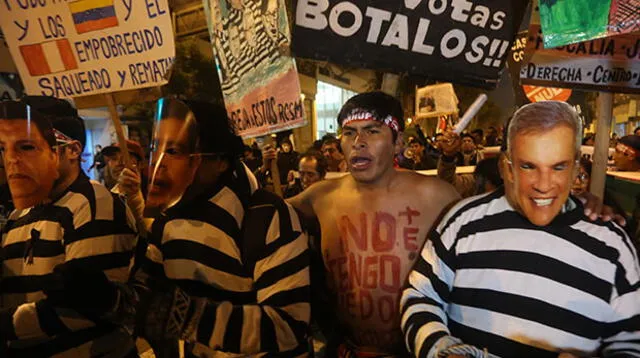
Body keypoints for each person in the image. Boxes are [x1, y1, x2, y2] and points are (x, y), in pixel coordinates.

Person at [47, 99, 312, 357]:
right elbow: (147, 298)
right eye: (157, 149)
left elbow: (287, 326)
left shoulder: (267, 217)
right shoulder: (168, 223)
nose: (160, 164)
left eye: (175, 151)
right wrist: (104, 296)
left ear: (220, 160)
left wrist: (183, 317)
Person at [401, 101, 640, 357]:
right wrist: (441, 349)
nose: (544, 185)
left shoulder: (613, 247)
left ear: (575, 167)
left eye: (559, 166)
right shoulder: (463, 221)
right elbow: (420, 296)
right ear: (508, 166)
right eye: (529, 166)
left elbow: (631, 343)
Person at [288, 92, 462, 356]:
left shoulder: (437, 197)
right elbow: (263, 217)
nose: (359, 142)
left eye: (372, 131)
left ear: (397, 142)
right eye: (349, 132)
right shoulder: (319, 198)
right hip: (346, 350)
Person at [0, 100, 137, 357]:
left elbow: (83, 310)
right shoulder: (21, 212)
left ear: (72, 150)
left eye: (30, 148)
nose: (14, 161)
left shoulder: (94, 205)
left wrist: (6, 325)